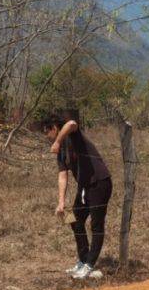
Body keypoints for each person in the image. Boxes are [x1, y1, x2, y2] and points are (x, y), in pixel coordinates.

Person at [42, 110, 112, 280]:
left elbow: (72, 123)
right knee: (73, 220)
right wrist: (61, 202)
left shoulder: (73, 136)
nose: (46, 137)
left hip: (99, 182)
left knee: (96, 225)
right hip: (84, 187)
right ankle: (82, 260)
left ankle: (89, 266)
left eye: (47, 132)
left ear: (54, 128)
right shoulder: (61, 152)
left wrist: (58, 141)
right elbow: (62, 175)